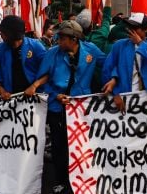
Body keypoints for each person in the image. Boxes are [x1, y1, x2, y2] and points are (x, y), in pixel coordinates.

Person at [36, 20, 106, 194]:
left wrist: (112, 80)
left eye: (62, 38)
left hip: (81, 111)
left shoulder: (91, 51)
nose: (58, 41)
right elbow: (42, 81)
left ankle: (81, 180)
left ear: (74, 39)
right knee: (59, 147)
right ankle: (61, 180)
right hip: (57, 109)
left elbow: (108, 64)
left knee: (80, 146)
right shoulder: (52, 54)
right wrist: (54, 95)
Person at [102, 13, 147, 113]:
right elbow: (107, 69)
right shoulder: (119, 45)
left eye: (135, 28)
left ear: (146, 29)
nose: (131, 30)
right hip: (124, 96)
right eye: (130, 27)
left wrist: (140, 44)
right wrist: (115, 93)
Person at [0, 15, 47, 99]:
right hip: (9, 100)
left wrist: (34, 86)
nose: (0, 34)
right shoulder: (1, 48)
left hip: (35, 99)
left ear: (11, 34)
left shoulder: (36, 46)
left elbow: (48, 71)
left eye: (3, 32)